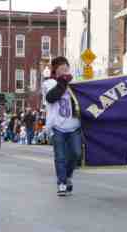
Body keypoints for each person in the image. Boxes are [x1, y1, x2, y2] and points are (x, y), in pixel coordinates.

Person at [45, 56, 82, 196]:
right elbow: (51, 97)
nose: (65, 71)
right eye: (61, 69)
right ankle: (61, 183)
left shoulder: (75, 83)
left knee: (76, 154)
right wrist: (63, 82)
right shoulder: (49, 83)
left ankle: (67, 176)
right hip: (57, 126)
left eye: (66, 68)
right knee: (60, 156)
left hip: (74, 126)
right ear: (56, 71)